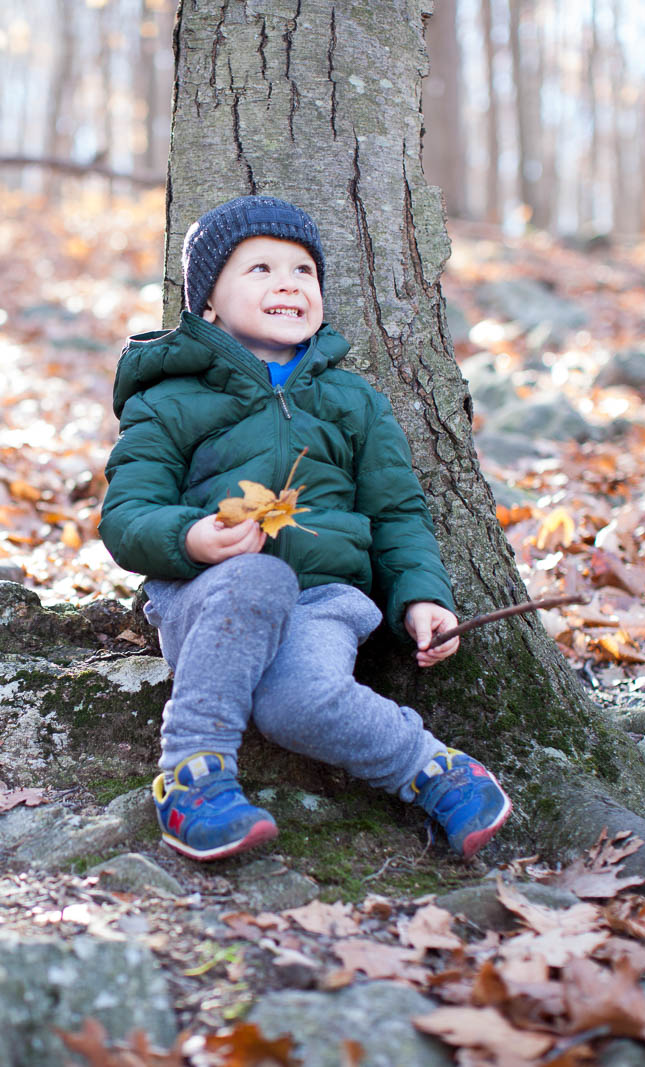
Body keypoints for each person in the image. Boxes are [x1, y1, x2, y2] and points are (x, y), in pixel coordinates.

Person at [98, 195, 511, 863]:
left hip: (321, 601)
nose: (287, 282)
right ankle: (191, 777)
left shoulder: (354, 402)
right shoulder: (169, 398)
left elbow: (398, 512)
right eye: (258, 268)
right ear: (207, 304)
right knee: (257, 576)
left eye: (303, 271)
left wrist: (422, 595)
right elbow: (126, 515)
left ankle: (435, 771)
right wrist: (192, 536)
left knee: (298, 702)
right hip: (208, 597)